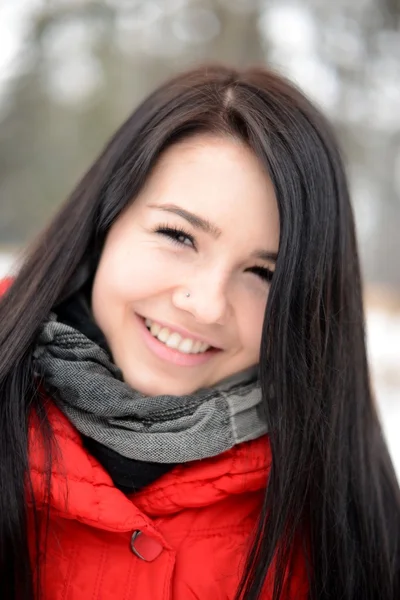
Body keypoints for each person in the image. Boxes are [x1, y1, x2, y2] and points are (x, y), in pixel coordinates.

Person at [0, 64, 399, 600]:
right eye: (179, 236)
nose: (207, 306)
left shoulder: (338, 513)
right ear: (104, 222)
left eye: (263, 274)